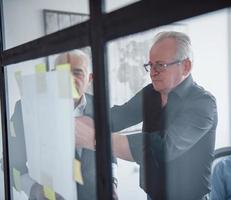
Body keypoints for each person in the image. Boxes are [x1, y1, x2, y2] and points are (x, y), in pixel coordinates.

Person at [76, 31, 218, 200]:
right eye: (150, 65)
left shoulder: (203, 103)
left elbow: (164, 147)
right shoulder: (150, 93)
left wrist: (96, 139)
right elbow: (116, 117)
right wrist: (78, 114)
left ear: (186, 66)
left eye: (160, 65)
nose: (152, 72)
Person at [9, 50, 118, 200]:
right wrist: (33, 189)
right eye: (61, 73)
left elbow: (110, 152)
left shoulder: (101, 106)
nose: (68, 79)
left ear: (90, 78)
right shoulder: (25, 109)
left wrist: (112, 183)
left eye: (77, 72)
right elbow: (11, 161)